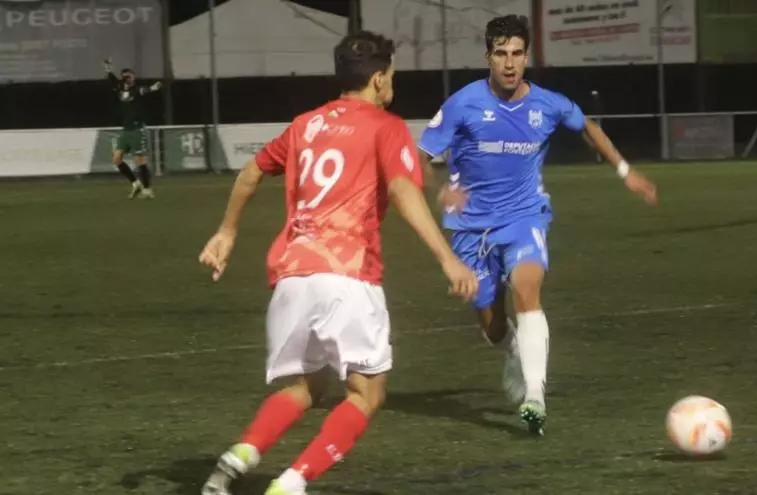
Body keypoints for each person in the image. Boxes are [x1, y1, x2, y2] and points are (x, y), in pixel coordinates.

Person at [198, 31, 477, 495]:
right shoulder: (385, 125)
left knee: (307, 386)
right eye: (392, 75)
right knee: (368, 392)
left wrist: (227, 232)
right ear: (379, 78)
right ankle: (291, 484)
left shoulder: (304, 124)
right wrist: (448, 258)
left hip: (292, 277)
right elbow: (402, 189)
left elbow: (251, 172)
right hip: (347, 276)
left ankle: (237, 457)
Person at [418, 15, 657, 436]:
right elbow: (418, 158)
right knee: (492, 326)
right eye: (500, 54)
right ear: (488, 57)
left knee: (527, 288)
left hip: (524, 217)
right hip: (471, 229)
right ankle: (513, 348)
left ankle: (534, 398)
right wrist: (441, 188)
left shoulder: (548, 105)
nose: (509, 63)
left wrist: (625, 171)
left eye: (516, 54)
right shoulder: (463, 103)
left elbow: (587, 127)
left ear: (526, 57)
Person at [104, 58, 161, 199]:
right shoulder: (120, 89)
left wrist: (153, 88)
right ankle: (136, 184)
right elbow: (111, 79)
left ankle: (147, 190)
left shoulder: (136, 90)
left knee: (140, 160)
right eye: (125, 77)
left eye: (130, 76)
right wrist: (108, 67)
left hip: (137, 130)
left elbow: (145, 90)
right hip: (126, 130)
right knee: (117, 159)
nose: (128, 79)